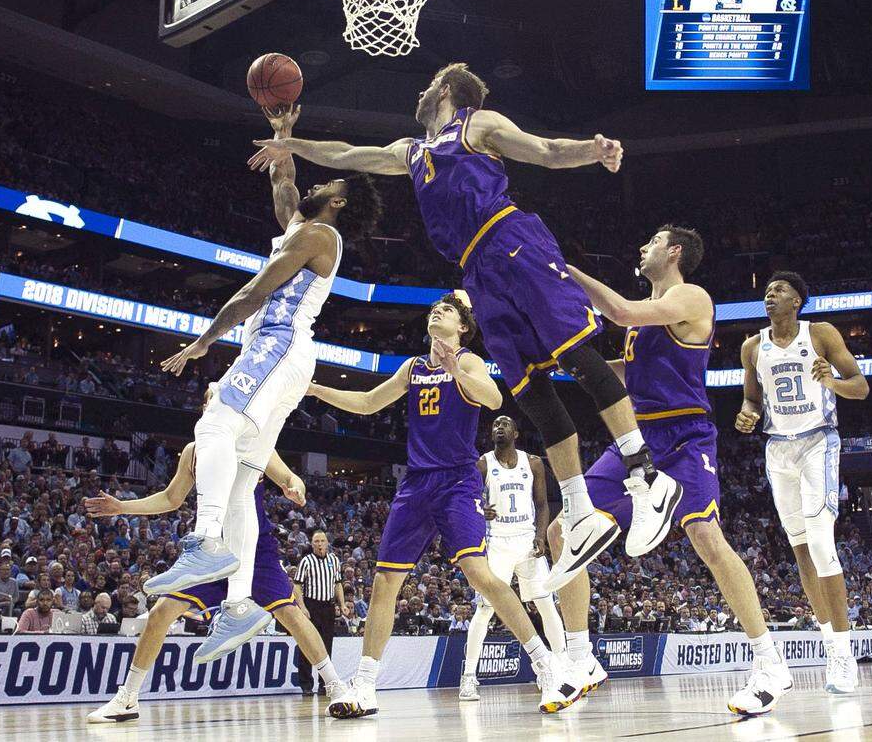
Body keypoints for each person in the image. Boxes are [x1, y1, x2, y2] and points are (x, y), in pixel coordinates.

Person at [249, 63, 682, 589]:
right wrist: (291, 143)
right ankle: (581, 509)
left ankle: (645, 474)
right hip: (477, 270)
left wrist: (592, 150)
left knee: (576, 354)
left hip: (511, 238)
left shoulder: (477, 125)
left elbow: (543, 151)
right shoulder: (411, 150)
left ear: (448, 91)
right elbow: (345, 154)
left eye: (430, 83)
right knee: (531, 389)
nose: (421, 89)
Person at [144, 104, 383, 664]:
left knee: (215, 422)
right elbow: (284, 183)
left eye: (329, 181)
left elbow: (253, 293)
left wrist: (205, 340)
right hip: (279, 353)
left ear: (339, 202)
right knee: (242, 481)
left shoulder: (320, 236)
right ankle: (240, 604)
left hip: (276, 342)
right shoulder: (303, 224)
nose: (317, 181)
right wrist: (284, 139)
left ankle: (203, 543)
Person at [309, 296, 584, 717]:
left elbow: (493, 400)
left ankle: (545, 666)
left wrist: (456, 369)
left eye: (447, 310)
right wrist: (313, 388)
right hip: (416, 484)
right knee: (384, 583)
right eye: (434, 308)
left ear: (462, 328)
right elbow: (367, 403)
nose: (436, 311)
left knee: (481, 574)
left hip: (457, 482)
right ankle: (365, 686)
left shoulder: (470, 362)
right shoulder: (413, 367)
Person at [563, 227, 792, 715]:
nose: (640, 247)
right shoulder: (643, 316)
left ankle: (769, 663)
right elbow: (626, 372)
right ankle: (581, 656)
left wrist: (565, 270)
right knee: (565, 528)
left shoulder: (690, 295)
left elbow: (620, 310)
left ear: (675, 251)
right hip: (638, 439)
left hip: (685, 435)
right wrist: (567, 364)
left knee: (706, 537)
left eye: (651, 241)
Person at [83, 431, 356, 723]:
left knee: (291, 615)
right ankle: (128, 698)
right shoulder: (193, 451)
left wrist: (295, 488)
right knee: (160, 613)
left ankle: (336, 687)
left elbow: (291, 479)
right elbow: (171, 498)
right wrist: (124, 507)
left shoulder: (255, 442)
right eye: (210, 401)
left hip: (254, 548)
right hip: (212, 547)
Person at [736, 271, 869, 695]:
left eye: (779, 291)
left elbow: (862, 387)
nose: (770, 296)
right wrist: (748, 414)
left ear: (797, 301)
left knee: (822, 542)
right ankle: (831, 646)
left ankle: (844, 656)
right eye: (767, 292)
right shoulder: (752, 346)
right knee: (802, 555)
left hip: (818, 442)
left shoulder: (822, 334)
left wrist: (832, 381)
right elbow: (752, 398)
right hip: (778, 450)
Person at [460, 416, 567, 702]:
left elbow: (543, 505)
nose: (499, 428)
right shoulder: (483, 464)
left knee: (546, 605)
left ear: (516, 433)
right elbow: (467, 499)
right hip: (496, 543)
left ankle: (563, 667)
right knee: (484, 611)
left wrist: (541, 536)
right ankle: (469, 676)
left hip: (527, 542)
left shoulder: (533, 463)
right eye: (495, 425)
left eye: (505, 424)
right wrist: (481, 509)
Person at [293, 531, 342, 696]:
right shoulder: (306, 561)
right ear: (312, 544)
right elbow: (297, 585)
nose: (320, 544)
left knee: (327, 646)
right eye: (316, 541)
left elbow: (338, 583)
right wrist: (302, 607)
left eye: (322, 541)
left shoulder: (334, 560)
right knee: (307, 645)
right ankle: (306, 684)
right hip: (311, 606)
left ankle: (324, 684)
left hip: (328, 607)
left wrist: (342, 604)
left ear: (327, 543)